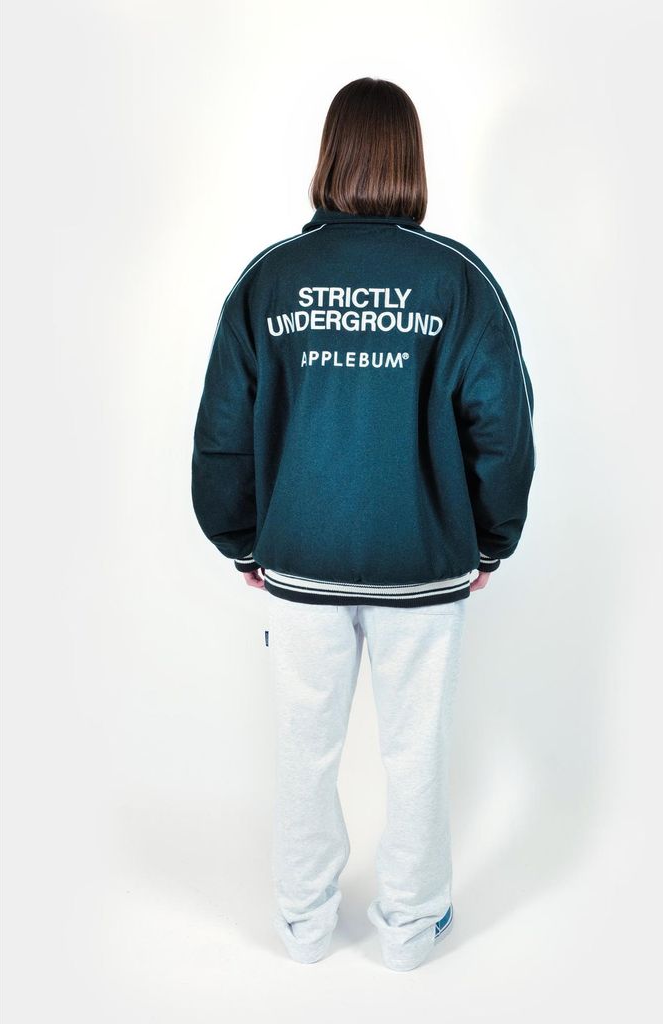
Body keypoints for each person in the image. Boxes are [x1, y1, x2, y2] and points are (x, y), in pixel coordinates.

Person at [191, 77, 536, 971]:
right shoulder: (456, 282)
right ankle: (411, 931)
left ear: (330, 155)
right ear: (410, 159)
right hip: (423, 565)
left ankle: (303, 926)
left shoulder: (270, 281)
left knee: (304, 749)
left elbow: (223, 430)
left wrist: (241, 539)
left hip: (301, 561)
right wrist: (490, 540)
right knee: (415, 753)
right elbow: (504, 428)